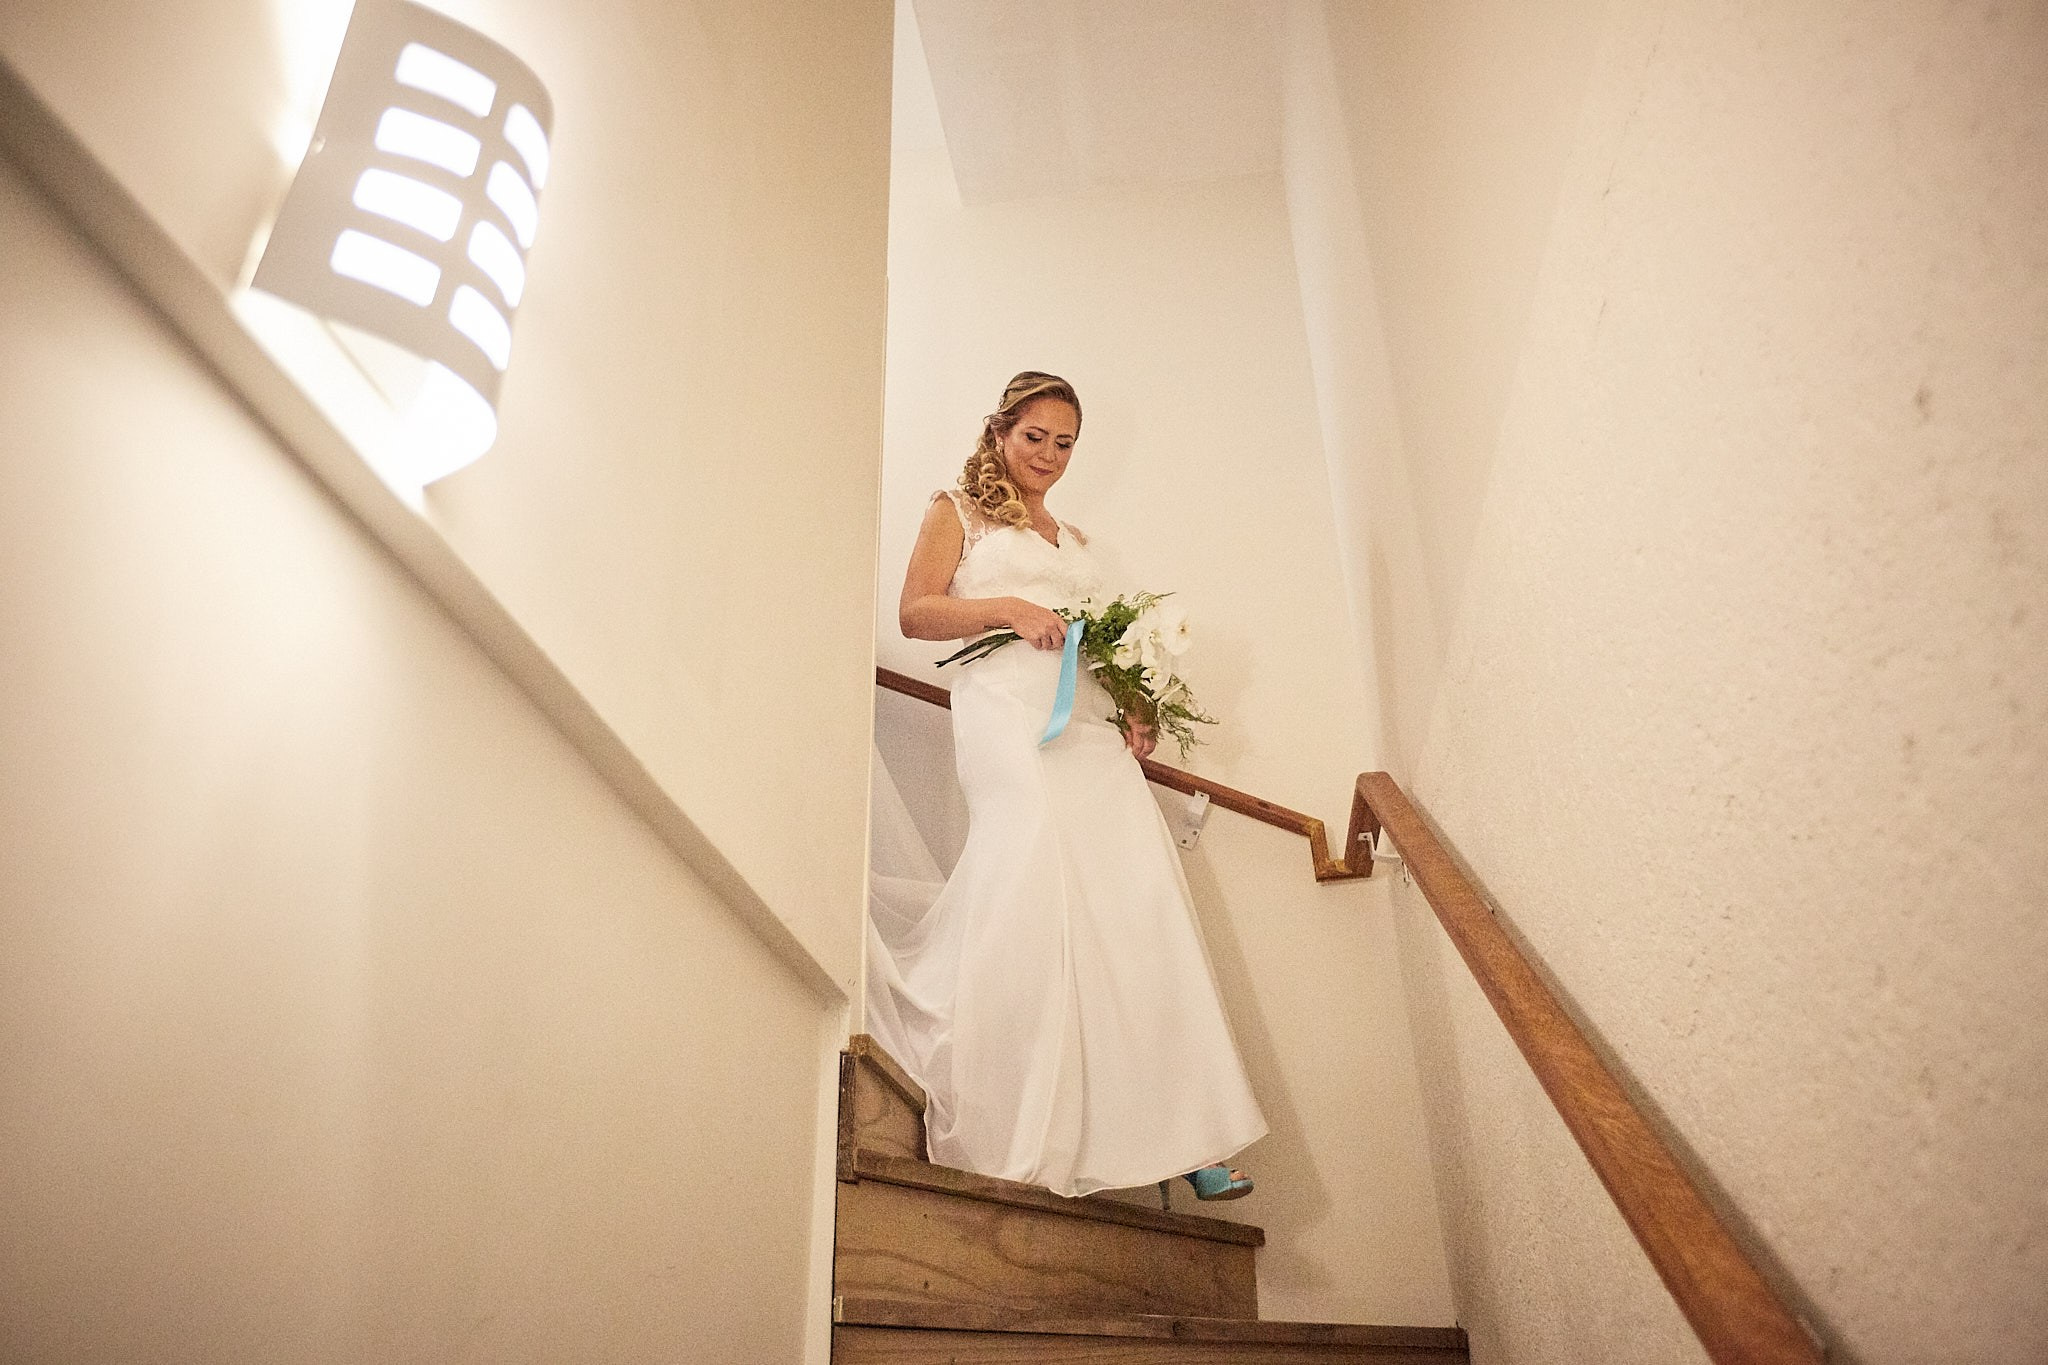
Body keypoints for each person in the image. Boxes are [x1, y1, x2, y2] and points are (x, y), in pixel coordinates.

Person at [882, 370, 1266, 1202]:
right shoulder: (959, 509)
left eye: (1064, 444)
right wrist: (1010, 607)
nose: (1049, 456)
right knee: (1031, 890)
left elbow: (1099, 641)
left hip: (1085, 733)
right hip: (1007, 723)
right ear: (1000, 430)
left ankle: (1184, 1135)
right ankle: (1013, 1117)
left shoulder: (1081, 540)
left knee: (1137, 903)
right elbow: (915, 611)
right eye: (1035, 438)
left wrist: (1133, 702)